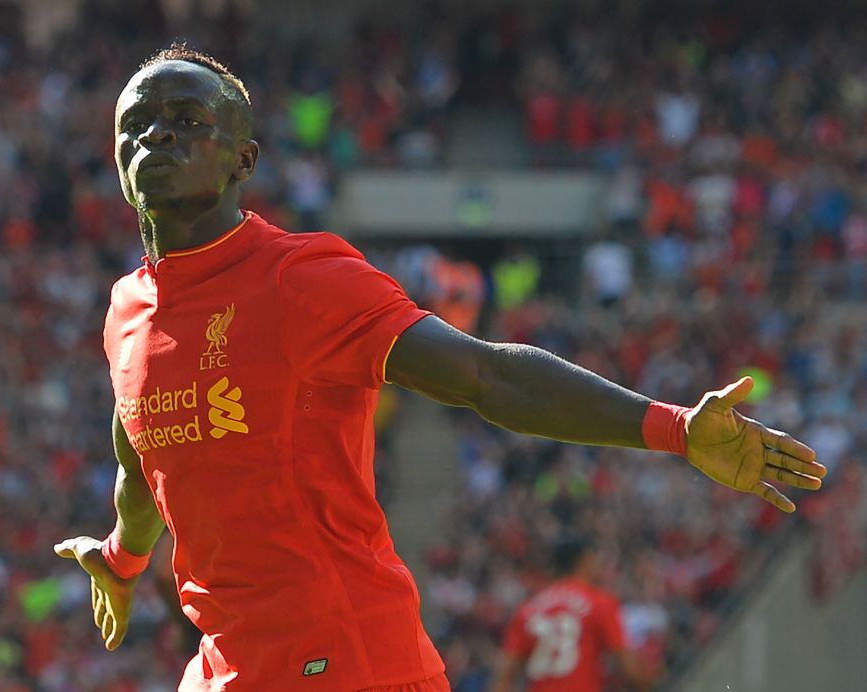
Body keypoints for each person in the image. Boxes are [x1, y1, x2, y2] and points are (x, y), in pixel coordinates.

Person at [53, 44, 826, 692]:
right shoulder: (126, 309)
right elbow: (143, 457)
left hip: (351, 663)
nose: (156, 136)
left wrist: (676, 428)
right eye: (137, 124)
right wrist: (121, 559)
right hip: (225, 669)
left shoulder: (300, 277)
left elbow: (487, 376)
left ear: (242, 160)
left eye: (188, 121)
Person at [490, 535, 654, 692]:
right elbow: (627, 666)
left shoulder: (527, 611)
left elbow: (504, 678)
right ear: (585, 561)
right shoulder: (600, 603)